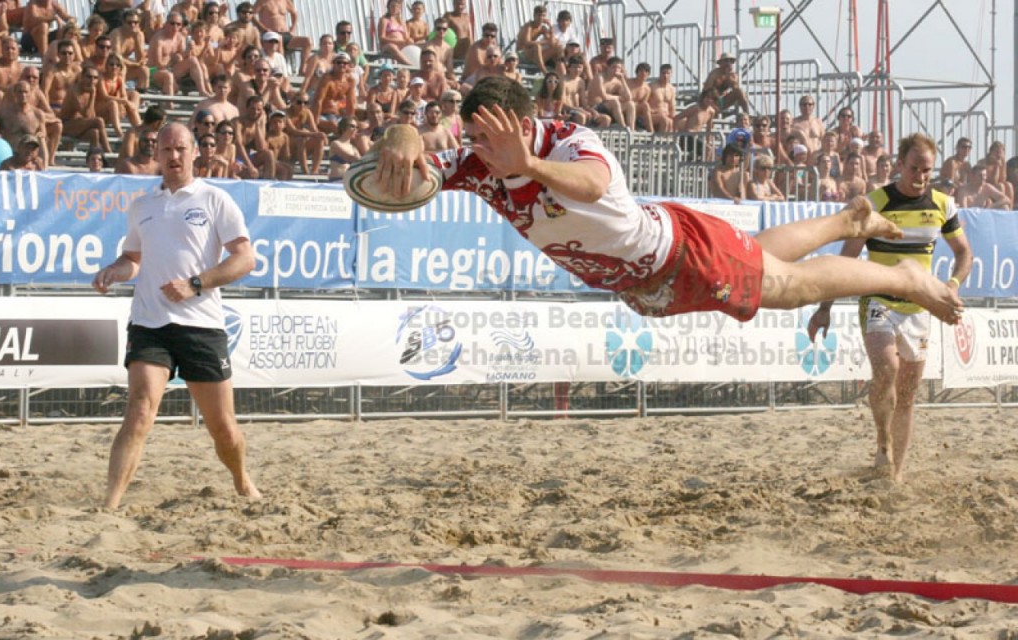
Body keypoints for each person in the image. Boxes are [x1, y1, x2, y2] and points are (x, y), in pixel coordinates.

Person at [370, 77, 963, 329]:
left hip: (680, 256)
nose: (478, 148)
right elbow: (403, 164)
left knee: (789, 288)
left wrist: (526, 165)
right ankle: (847, 218)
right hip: (644, 280)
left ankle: (905, 278)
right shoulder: (478, 164)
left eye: (489, 136)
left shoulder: (569, 141)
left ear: (524, 126)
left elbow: (591, 185)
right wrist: (402, 136)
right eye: (473, 136)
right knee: (761, 257)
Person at [91, 122, 261, 510]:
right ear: (157, 155)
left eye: (181, 149)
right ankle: (109, 506)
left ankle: (241, 479)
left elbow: (245, 259)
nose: (174, 156)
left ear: (195, 152)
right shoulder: (143, 206)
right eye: (166, 149)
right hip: (150, 323)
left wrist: (196, 283)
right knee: (139, 411)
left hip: (201, 325)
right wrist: (115, 271)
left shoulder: (215, 199)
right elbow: (133, 259)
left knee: (224, 429)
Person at [808, 132, 973, 484]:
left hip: (920, 307)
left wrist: (952, 285)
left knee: (908, 393)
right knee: (887, 369)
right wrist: (825, 308)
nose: (921, 176)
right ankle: (882, 443)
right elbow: (847, 258)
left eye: (927, 170)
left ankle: (895, 473)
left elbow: (964, 253)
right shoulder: (876, 202)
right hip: (878, 299)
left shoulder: (943, 205)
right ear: (899, 164)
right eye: (914, 168)